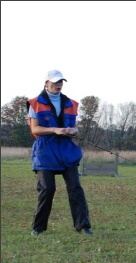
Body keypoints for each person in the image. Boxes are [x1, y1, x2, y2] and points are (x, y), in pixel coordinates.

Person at [27, 69, 93, 236]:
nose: (59, 85)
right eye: (55, 82)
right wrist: (55, 129)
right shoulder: (34, 103)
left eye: (61, 82)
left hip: (66, 150)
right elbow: (35, 129)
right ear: (46, 83)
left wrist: (73, 130)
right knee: (47, 189)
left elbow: (75, 127)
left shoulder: (71, 103)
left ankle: (83, 226)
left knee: (75, 188)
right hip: (45, 150)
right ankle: (38, 228)